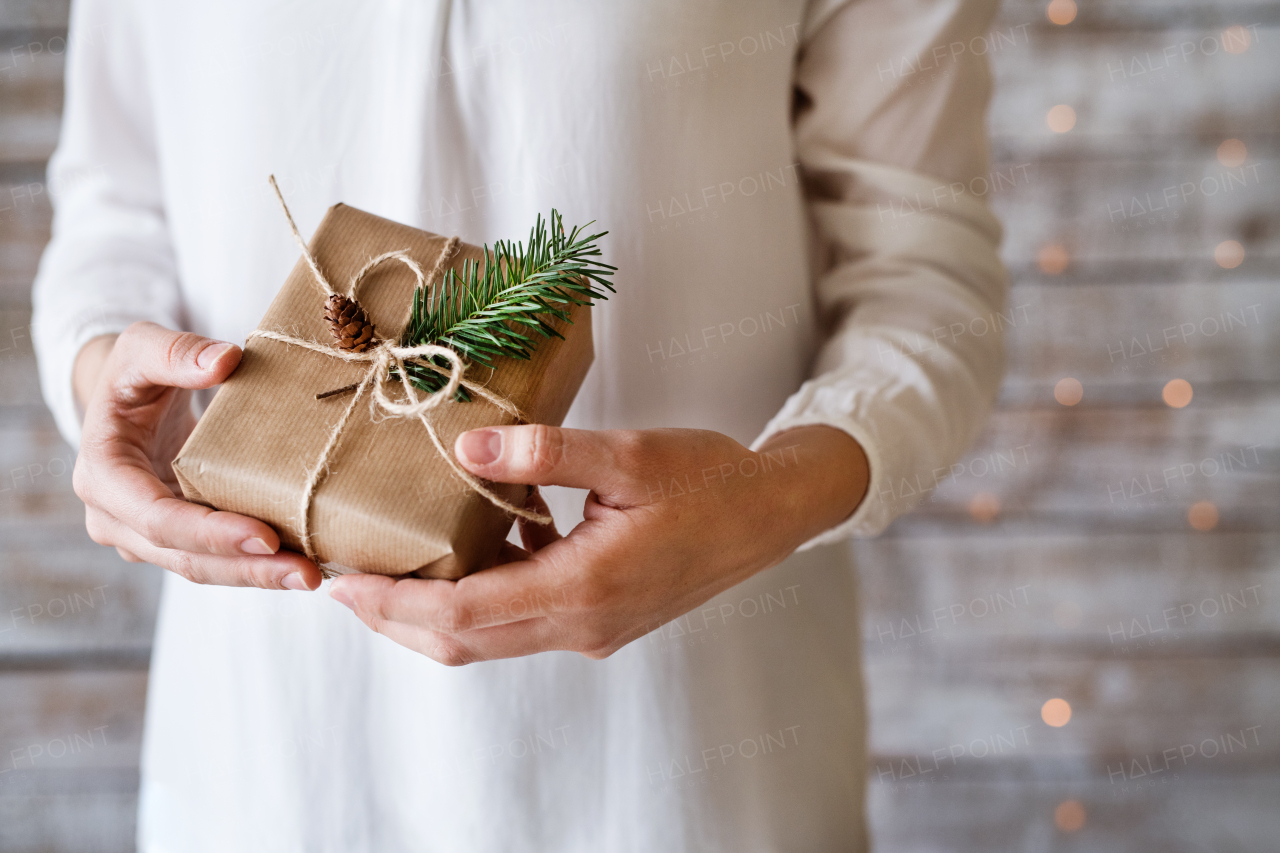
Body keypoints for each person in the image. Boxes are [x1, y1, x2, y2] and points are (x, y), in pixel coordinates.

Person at [33, 1, 1006, 850]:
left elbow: (923, 283)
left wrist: (775, 495)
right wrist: (102, 384)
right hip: (267, 757)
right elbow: (114, 210)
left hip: (688, 760)